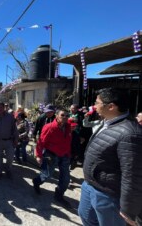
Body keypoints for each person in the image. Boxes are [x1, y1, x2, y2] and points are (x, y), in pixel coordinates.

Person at [78, 88, 142, 226]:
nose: (94, 106)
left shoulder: (130, 133)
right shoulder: (107, 122)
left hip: (108, 195)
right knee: (85, 217)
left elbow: (132, 174)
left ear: (111, 106)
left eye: (97, 103)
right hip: (90, 185)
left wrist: (128, 209)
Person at [32, 109, 72, 207]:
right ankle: (36, 181)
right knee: (47, 175)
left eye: (67, 116)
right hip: (51, 154)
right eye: (63, 115)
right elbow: (41, 142)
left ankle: (59, 195)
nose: (65, 117)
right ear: (57, 116)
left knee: (66, 178)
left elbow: (68, 140)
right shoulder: (49, 127)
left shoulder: (68, 127)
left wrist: (68, 153)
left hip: (64, 155)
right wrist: (38, 155)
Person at [0, 102, 18, 179]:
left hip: (9, 141)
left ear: (4, 108)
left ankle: (8, 170)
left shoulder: (10, 116)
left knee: (10, 157)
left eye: (1, 107)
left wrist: (16, 139)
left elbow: (14, 129)